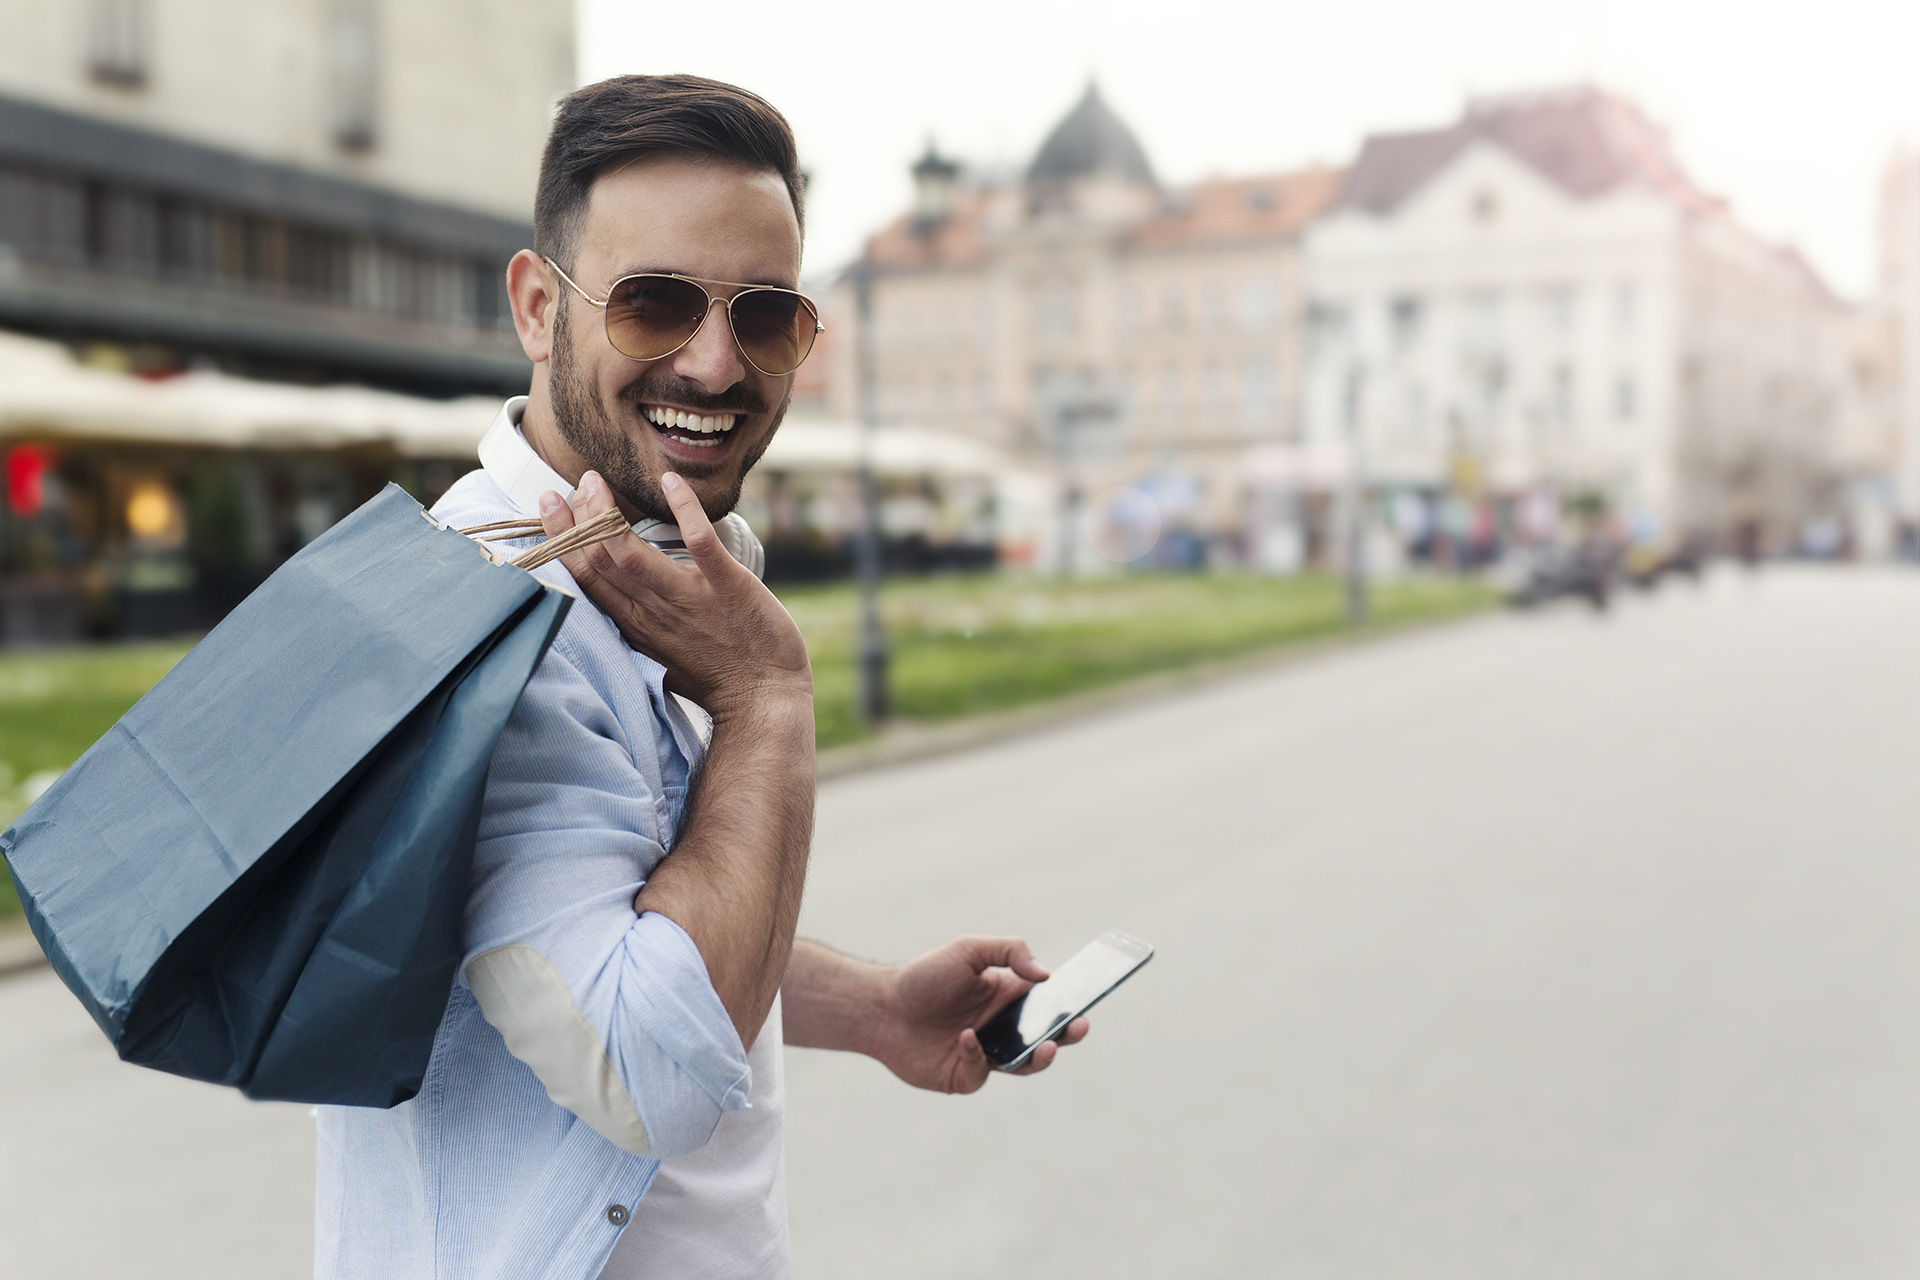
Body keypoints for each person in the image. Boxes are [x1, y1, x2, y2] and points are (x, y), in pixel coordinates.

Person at [312, 74, 1088, 1280]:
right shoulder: (493, 617)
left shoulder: (636, 572)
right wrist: (768, 696)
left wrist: (876, 1004)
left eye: (766, 315)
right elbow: (644, 1065)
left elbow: (593, 940)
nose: (717, 365)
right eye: (655, 303)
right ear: (536, 306)